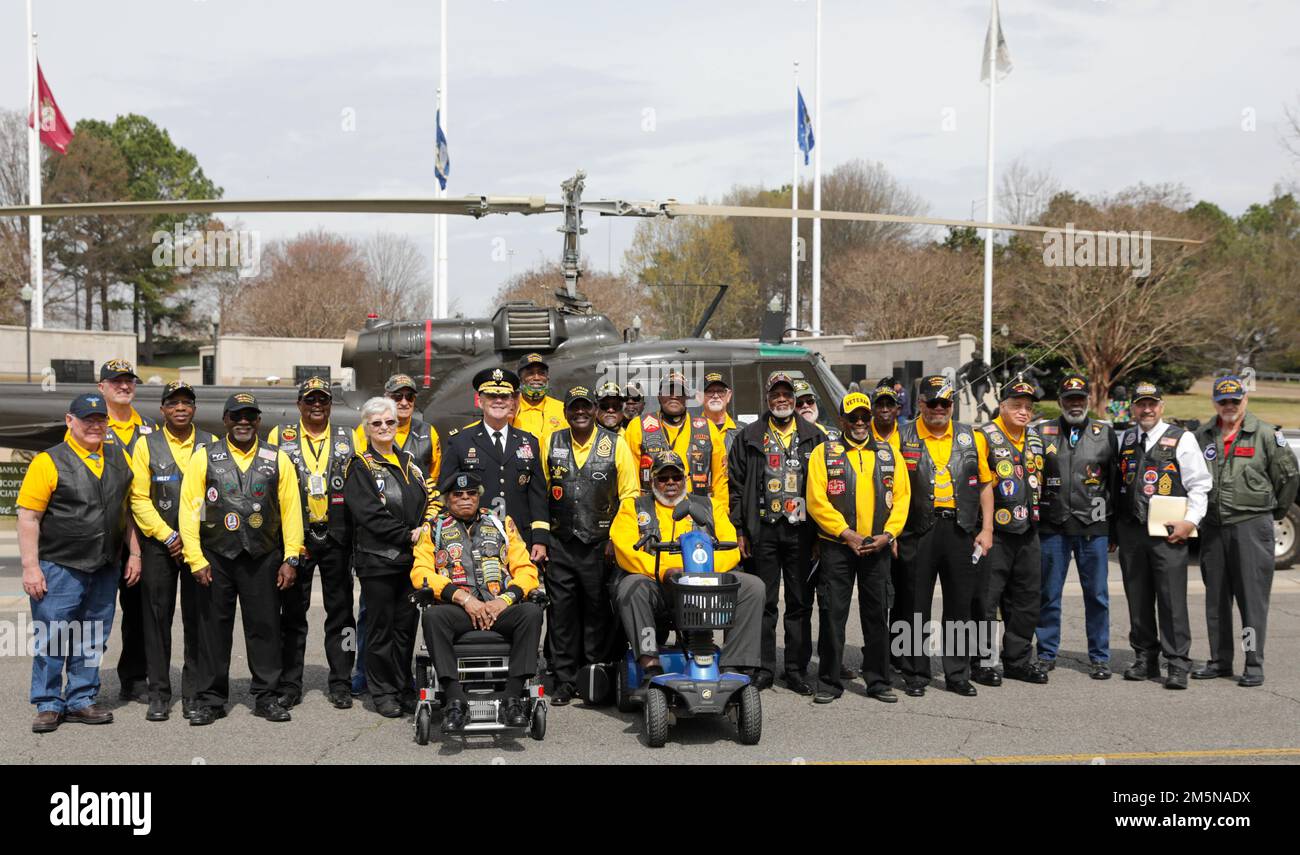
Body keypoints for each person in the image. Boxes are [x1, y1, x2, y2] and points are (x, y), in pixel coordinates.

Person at [179, 392, 304, 726]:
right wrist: (195, 558)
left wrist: (291, 558)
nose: (243, 422)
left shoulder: (278, 458)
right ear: (225, 421)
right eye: (236, 416)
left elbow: (292, 511)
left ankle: (266, 696)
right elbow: (190, 509)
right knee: (212, 631)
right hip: (216, 556)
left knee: (264, 628)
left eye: (250, 416)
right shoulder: (204, 457)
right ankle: (210, 699)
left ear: (259, 421)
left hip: (262, 556)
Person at [18, 393, 140, 733]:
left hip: (105, 566)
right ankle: (48, 703)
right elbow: (28, 518)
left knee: (91, 636)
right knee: (54, 636)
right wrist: (31, 567)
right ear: (70, 421)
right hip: (60, 565)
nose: (95, 425)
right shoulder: (48, 461)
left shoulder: (119, 458)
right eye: (87, 419)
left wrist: (136, 553)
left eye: (100, 419)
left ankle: (81, 699)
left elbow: (126, 512)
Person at [610, 451, 764, 682]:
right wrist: (665, 571)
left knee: (753, 586)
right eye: (663, 478)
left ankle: (735, 667)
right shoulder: (634, 508)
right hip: (660, 586)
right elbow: (625, 552)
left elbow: (731, 549)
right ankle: (650, 666)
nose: (670, 483)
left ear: (686, 479)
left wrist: (704, 573)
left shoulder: (710, 505)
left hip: (707, 585)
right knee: (631, 586)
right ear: (652, 481)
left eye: (676, 477)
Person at [411, 470, 544, 732]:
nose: (464, 499)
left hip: (499, 608)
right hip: (458, 610)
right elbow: (421, 573)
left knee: (531, 612)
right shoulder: (434, 528)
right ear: (448, 499)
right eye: (457, 494)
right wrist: (460, 597)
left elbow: (527, 571)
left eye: (471, 494)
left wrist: (505, 600)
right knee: (432, 616)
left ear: (479, 496)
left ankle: (512, 698)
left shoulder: (501, 524)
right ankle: (455, 701)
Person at [1192, 375, 1298, 687]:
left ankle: (1253, 662)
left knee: (1251, 601)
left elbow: (1289, 477)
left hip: (1251, 526)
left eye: (1234, 400)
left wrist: (1272, 512)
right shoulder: (1202, 435)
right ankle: (1220, 660)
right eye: (1223, 401)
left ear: (1245, 401)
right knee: (1216, 600)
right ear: (1214, 402)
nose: (1229, 406)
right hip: (1213, 528)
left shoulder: (1267, 435)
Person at [806, 392, 910, 704]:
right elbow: (816, 501)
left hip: (876, 546)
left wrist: (889, 534)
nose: (861, 422)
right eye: (854, 417)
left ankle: (878, 681)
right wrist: (845, 532)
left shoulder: (890, 454)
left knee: (877, 615)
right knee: (832, 614)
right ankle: (829, 681)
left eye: (865, 416)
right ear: (842, 420)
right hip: (837, 546)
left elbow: (903, 499)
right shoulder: (824, 453)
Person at [895, 375, 994, 697]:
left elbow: (984, 484)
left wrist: (987, 528)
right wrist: (892, 531)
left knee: (959, 605)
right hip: (916, 530)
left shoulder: (971, 437)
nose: (939, 408)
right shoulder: (902, 435)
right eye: (932, 402)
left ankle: (957, 673)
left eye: (945, 403)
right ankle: (913, 673)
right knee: (914, 605)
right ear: (920, 403)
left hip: (960, 529)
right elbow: (890, 487)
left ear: (952, 405)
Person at [539, 386, 640, 704]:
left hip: (599, 544)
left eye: (586, 407)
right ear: (566, 412)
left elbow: (630, 495)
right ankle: (565, 678)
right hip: (561, 541)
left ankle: (595, 674)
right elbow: (541, 492)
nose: (580, 412)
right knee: (562, 613)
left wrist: (615, 538)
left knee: (597, 610)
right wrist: (542, 539)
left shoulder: (617, 444)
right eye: (574, 408)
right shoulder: (551, 441)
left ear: (595, 410)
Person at [727, 371, 825, 692]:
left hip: (802, 534)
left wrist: (821, 536)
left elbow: (824, 489)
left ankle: (796, 669)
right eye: (775, 395)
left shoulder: (814, 436)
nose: (781, 400)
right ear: (767, 399)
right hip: (763, 531)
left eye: (786, 395)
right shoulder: (750, 436)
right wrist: (740, 530)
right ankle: (764, 667)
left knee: (799, 603)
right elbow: (736, 487)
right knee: (764, 602)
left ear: (795, 399)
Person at [1114, 381, 1212, 689]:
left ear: (1161, 406)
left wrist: (1190, 522)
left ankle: (1177, 662)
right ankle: (1145, 658)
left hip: (1169, 532)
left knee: (1171, 600)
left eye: (1152, 404)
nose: (1146, 409)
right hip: (1132, 532)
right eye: (1141, 404)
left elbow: (1200, 484)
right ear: (1132, 407)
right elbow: (1118, 484)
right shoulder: (1126, 438)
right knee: (1138, 599)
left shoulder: (1181, 439)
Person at [128, 381, 217, 721]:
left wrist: (191, 539)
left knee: (198, 620)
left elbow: (215, 497)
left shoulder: (210, 444)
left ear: (194, 408)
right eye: (173, 403)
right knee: (156, 619)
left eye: (187, 402)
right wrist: (168, 536)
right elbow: (139, 497)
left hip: (199, 548)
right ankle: (159, 694)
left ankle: (193, 693)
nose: (180, 408)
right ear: (163, 409)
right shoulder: (146, 445)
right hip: (159, 546)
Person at [268, 377, 358, 710]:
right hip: (298, 536)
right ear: (299, 404)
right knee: (292, 614)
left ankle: (342, 681)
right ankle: (290, 683)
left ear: (331, 404)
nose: (316, 405)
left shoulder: (350, 437)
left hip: (337, 536)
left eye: (322, 400)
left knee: (342, 615)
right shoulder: (282, 436)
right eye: (309, 400)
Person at [344, 396, 430, 718]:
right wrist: (408, 534)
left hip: (410, 563)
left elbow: (430, 498)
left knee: (405, 628)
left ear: (398, 425)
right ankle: (382, 692)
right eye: (376, 423)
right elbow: (369, 514)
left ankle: (402, 685)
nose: (384, 428)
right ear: (366, 427)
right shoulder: (360, 465)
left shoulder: (410, 463)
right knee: (379, 629)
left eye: (389, 422)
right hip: (377, 561)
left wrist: (428, 526)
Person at [1033, 374, 1117, 680]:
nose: (1075, 404)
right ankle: (1045, 653)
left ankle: (1099, 657)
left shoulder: (1104, 433)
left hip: (1093, 526)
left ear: (1088, 401)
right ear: (1060, 402)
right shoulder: (1042, 432)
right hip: (1052, 526)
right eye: (1070, 399)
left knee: (1097, 595)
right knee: (1048, 594)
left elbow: (1115, 482)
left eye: (1080, 398)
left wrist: (1114, 530)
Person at [973, 381, 1049, 686]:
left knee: (1027, 600)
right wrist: (984, 529)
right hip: (995, 533)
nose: (1023, 412)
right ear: (1002, 406)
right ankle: (982, 662)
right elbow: (978, 485)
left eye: (1029, 407)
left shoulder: (1035, 439)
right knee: (987, 600)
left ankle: (1017, 660)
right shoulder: (984, 437)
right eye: (1017, 405)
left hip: (1028, 531)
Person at [443, 367, 551, 562]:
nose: (498, 401)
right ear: (480, 401)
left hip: (521, 539)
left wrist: (540, 540)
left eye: (505, 396)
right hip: (473, 538)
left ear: (513, 402)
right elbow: (446, 491)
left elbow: (538, 496)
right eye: (492, 395)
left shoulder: (529, 442)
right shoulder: (461, 441)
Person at [97, 359, 157, 704]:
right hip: (104, 535)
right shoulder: (91, 425)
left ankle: (135, 678)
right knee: (95, 613)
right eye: (116, 381)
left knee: (138, 612)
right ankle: (83, 685)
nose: (124, 386)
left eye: (129, 381)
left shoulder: (149, 428)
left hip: (141, 536)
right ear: (101, 387)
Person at [622, 371, 730, 520]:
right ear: (659, 396)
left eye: (679, 391)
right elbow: (629, 483)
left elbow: (720, 480)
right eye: (668, 391)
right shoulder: (638, 426)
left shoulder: (707, 427)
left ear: (687, 397)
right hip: (652, 516)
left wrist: (721, 516)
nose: (674, 396)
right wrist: (634, 516)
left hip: (697, 515)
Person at [513, 353, 568, 444]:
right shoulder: (510, 409)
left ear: (548, 377)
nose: (536, 378)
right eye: (530, 373)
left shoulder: (562, 409)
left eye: (541, 373)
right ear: (520, 378)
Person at [700, 372, 740, 453]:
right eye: (709, 391)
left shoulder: (743, 431)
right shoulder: (689, 430)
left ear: (728, 396)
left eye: (720, 391)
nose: (715, 396)